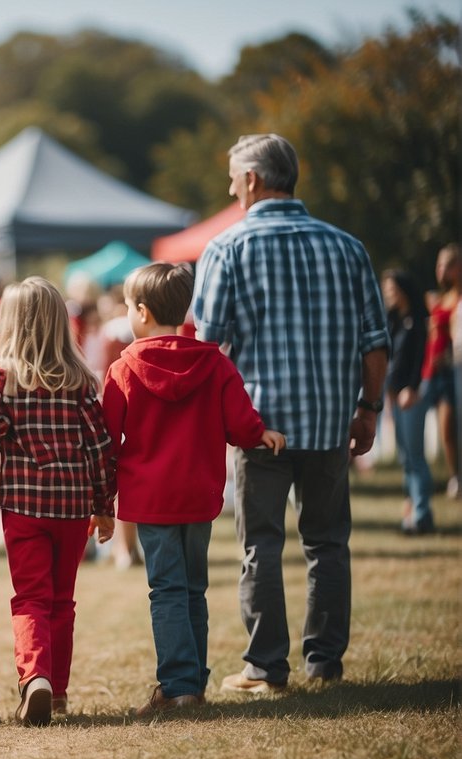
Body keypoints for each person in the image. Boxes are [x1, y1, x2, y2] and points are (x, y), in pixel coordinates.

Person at [193, 134, 389, 692]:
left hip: (259, 428)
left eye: (234, 177)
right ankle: (325, 664)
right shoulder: (347, 247)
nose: (231, 188)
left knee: (261, 547)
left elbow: (210, 349)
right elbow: (375, 341)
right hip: (330, 422)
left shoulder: (228, 248)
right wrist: (368, 408)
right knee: (327, 544)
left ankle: (265, 667)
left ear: (253, 179)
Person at [101, 263, 285, 717]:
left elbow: (105, 440)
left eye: (127, 306)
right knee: (192, 590)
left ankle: (179, 686)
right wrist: (261, 433)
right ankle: (192, 682)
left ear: (141, 312)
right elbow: (241, 425)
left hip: (151, 499)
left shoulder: (124, 368)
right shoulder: (215, 363)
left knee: (166, 590)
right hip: (200, 497)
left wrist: (100, 500)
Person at [0, 276, 116, 726]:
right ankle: (56, 690)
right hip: (72, 506)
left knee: (30, 598)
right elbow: (99, 446)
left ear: (9, 323)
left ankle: (35, 678)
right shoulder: (81, 379)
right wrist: (105, 505)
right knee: (62, 600)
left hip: (24, 506)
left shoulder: (3, 377)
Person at [382, 269, 434, 534]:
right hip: (394, 396)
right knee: (405, 458)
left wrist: (412, 388)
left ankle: (423, 515)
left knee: (415, 456)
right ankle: (410, 513)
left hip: (411, 395)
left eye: (392, 288)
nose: (388, 293)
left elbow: (421, 359)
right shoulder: (392, 320)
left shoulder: (418, 319)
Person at [422, 243, 459, 497]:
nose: (440, 270)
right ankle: (453, 475)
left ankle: (455, 477)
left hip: (450, 370)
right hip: (431, 370)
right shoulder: (440, 298)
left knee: (449, 425)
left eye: (446, 265)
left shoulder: (457, 299)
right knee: (442, 428)